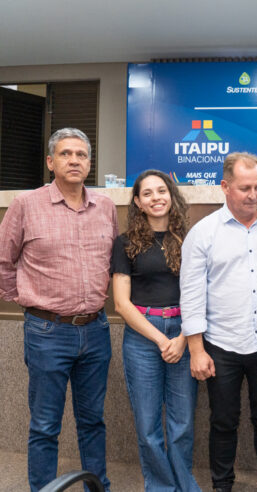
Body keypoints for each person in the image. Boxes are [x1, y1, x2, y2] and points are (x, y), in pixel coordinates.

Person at [0, 128, 118, 491]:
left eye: (81, 155)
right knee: (45, 425)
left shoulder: (106, 207)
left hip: (96, 330)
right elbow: (4, 262)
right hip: (47, 333)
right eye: (65, 154)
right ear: (51, 162)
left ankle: (97, 487)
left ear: (90, 163)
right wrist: (31, 304)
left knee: (92, 421)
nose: (74, 160)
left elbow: (112, 263)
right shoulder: (26, 205)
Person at [180, 152, 257, 492]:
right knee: (223, 421)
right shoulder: (203, 233)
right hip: (222, 345)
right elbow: (191, 294)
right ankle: (222, 486)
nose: (253, 195)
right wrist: (195, 349)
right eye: (245, 188)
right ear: (225, 187)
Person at [111, 169, 201, 491]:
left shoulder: (190, 239)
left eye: (161, 191)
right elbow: (121, 303)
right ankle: (162, 488)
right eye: (147, 193)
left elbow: (200, 293)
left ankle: (184, 485)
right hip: (143, 337)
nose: (156, 198)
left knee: (183, 424)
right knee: (148, 426)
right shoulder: (125, 244)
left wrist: (181, 339)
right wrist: (162, 339)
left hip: (184, 332)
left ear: (171, 195)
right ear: (137, 201)